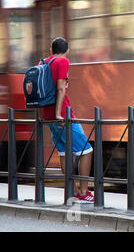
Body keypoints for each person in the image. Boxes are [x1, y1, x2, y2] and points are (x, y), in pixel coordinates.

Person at [41, 37, 94, 203]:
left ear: (51, 50)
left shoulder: (44, 62)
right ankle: (84, 192)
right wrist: (59, 114)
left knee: (64, 152)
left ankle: (72, 191)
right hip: (63, 115)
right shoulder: (62, 61)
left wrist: (52, 115)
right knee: (86, 150)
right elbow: (60, 88)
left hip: (47, 114)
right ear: (67, 50)